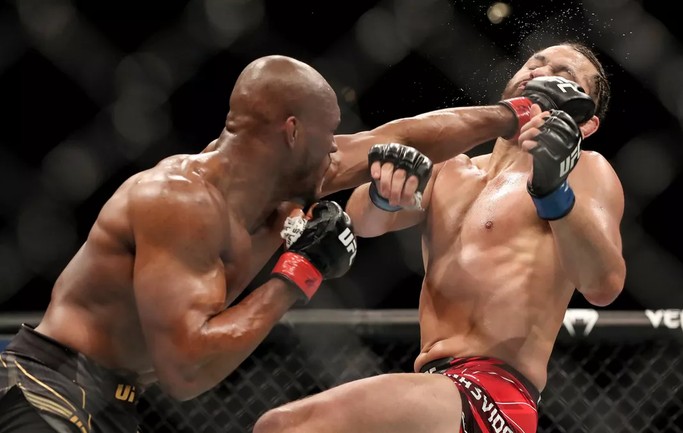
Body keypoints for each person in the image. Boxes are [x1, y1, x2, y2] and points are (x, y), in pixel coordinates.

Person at [0, 48, 593, 432]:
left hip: (117, 404)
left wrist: (515, 112)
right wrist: (298, 272)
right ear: (292, 132)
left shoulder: (289, 178)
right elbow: (187, 371)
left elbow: (405, 135)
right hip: (50, 387)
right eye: (330, 134)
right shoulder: (179, 200)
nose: (341, 148)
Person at [252, 42, 625, 433]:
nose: (540, 72)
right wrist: (386, 192)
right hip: (438, 388)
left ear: (586, 124)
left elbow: (603, 285)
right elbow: (364, 221)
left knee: (284, 427)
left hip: (493, 394)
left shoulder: (586, 170)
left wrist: (554, 192)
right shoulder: (450, 167)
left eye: (564, 75)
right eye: (536, 63)